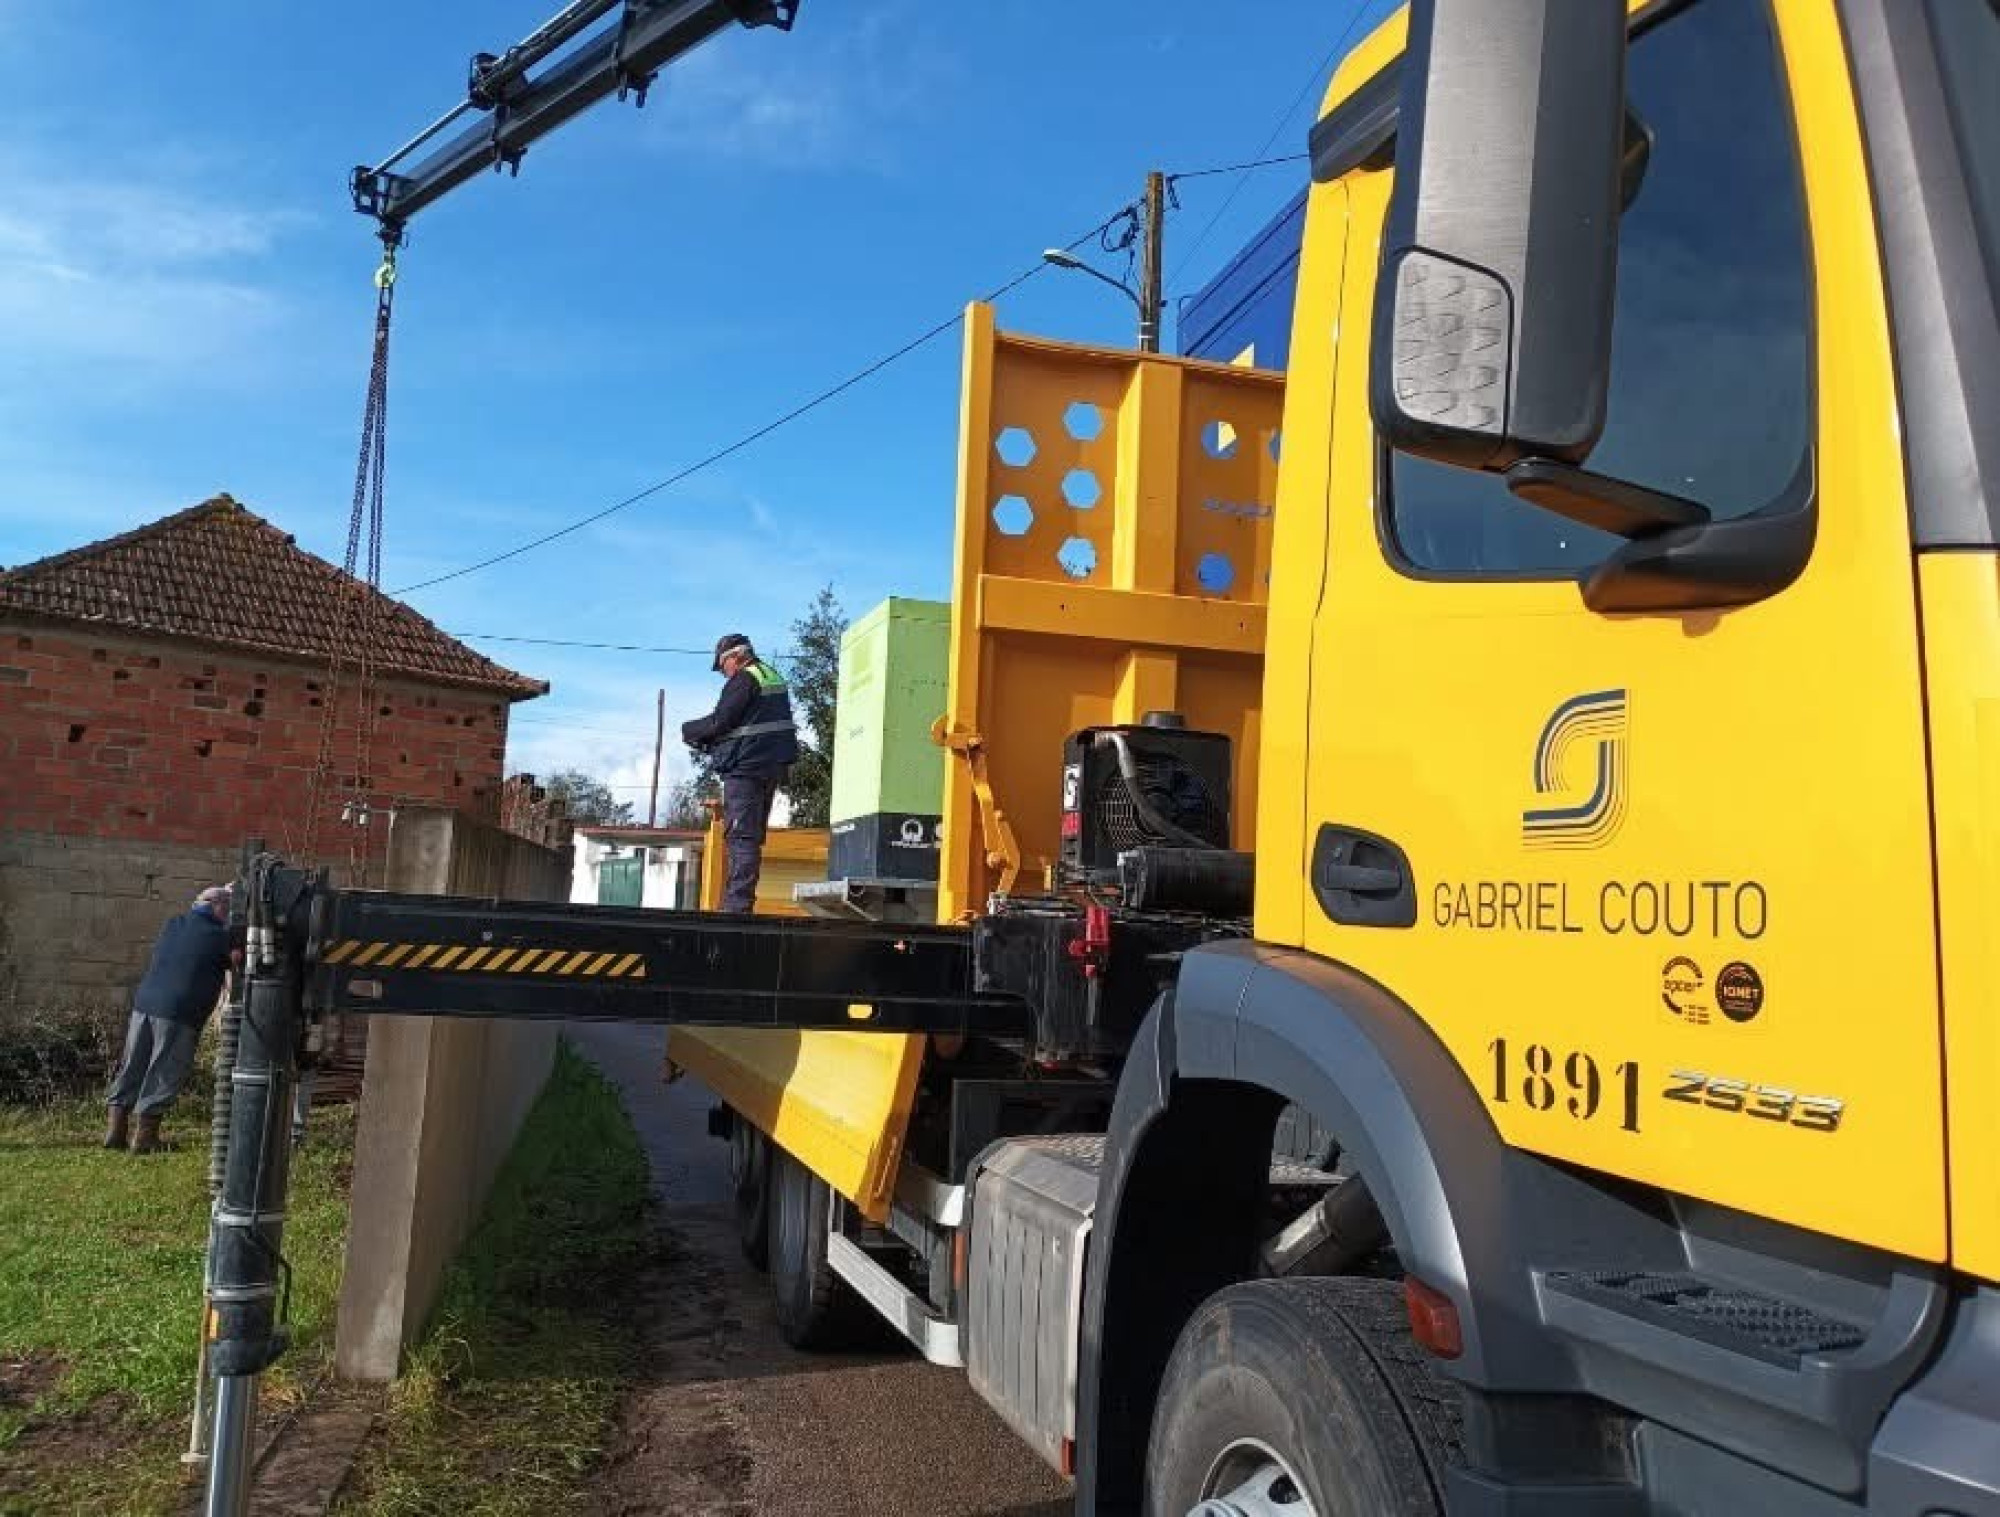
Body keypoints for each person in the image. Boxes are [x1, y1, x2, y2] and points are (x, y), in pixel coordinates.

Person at [104, 885, 233, 1154]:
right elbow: (238, 963)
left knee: (133, 1064)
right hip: (179, 1011)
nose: (230, 914)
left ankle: (115, 1132)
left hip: (144, 1004)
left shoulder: (173, 923)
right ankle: (145, 1138)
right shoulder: (220, 936)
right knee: (165, 1069)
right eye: (228, 909)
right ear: (218, 907)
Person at [682, 633, 799, 913]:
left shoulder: (745, 679)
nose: (724, 673)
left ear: (735, 656)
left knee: (741, 837)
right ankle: (741, 901)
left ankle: (737, 906)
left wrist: (689, 730)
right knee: (752, 838)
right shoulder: (772, 677)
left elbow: (722, 720)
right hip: (771, 767)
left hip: (745, 768)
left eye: (723, 666)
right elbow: (751, 724)